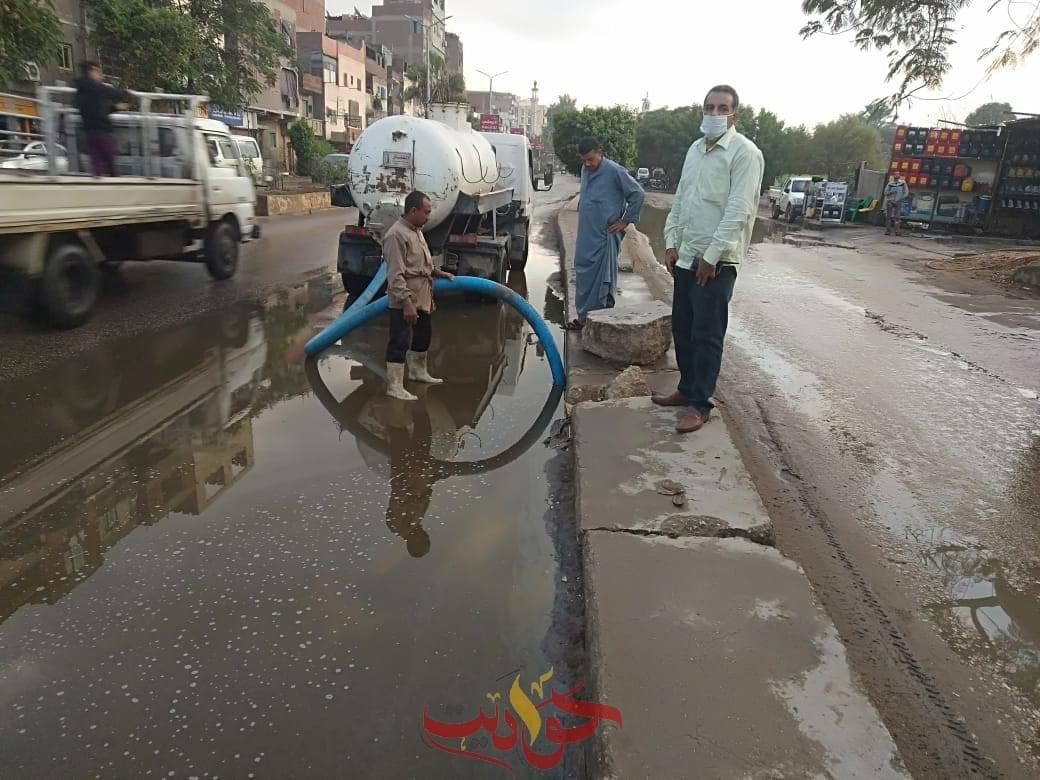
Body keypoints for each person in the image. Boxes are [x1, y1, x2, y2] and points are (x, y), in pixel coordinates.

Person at [652, 85, 765, 434]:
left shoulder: (745, 154)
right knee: (683, 329)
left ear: (735, 115)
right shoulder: (695, 150)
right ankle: (686, 390)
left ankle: (701, 404)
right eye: (709, 107)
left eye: (722, 108)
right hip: (686, 258)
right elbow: (682, 198)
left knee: (707, 334)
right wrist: (671, 242)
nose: (714, 114)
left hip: (716, 264)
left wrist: (712, 255)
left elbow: (738, 211)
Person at [382, 190, 455, 401]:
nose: (429, 216)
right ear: (413, 211)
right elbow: (395, 275)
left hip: (422, 295)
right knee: (400, 341)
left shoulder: (416, 229)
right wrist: (406, 304)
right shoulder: (396, 235)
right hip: (404, 299)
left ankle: (417, 372)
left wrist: (438, 272)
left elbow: (420, 262)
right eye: (426, 212)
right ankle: (394, 386)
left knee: (424, 335)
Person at [569, 137, 645, 328]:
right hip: (586, 235)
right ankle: (583, 317)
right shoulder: (585, 170)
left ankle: (598, 320)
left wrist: (625, 220)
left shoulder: (615, 171)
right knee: (583, 273)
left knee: (603, 279)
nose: (587, 164)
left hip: (605, 237)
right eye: (583, 160)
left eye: (591, 160)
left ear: (600, 153)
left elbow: (637, 194)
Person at [74, 61, 129, 177]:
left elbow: (95, 110)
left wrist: (114, 107)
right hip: (102, 132)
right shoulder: (95, 87)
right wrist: (127, 92)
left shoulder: (80, 90)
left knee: (97, 166)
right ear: (91, 72)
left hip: (89, 133)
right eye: (98, 72)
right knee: (111, 166)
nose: (101, 76)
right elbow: (114, 93)